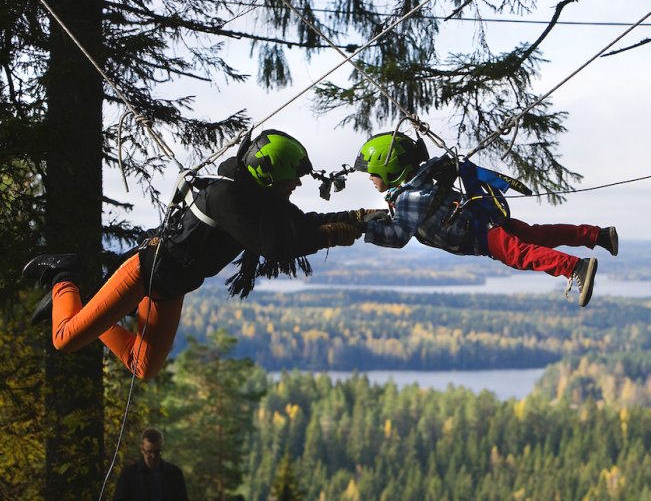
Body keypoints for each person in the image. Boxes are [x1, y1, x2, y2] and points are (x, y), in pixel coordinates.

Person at [22, 129, 366, 378]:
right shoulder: (226, 198)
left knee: (142, 366)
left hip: (170, 287)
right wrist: (331, 236)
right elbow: (275, 247)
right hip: (146, 271)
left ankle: (77, 305)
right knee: (65, 338)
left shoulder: (261, 198)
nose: (297, 185)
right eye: (291, 178)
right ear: (268, 174)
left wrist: (356, 218)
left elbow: (301, 225)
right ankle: (63, 274)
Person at [353, 131, 619, 307]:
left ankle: (574, 268)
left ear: (390, 169)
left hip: (481, 233)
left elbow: (398, 236)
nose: (370, 178)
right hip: (481, 218)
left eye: (373, 173)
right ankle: (598, 235)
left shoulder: (409, 197)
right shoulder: (416, 184)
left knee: (520, 254)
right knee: (538, 236)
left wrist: (365, 227)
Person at [114, 427, 188, 501]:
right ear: (142, 450)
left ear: (161, 448)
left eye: (157, 451)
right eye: (149, 452)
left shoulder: (174, 473)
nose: (153, 456)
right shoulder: (129, 474)